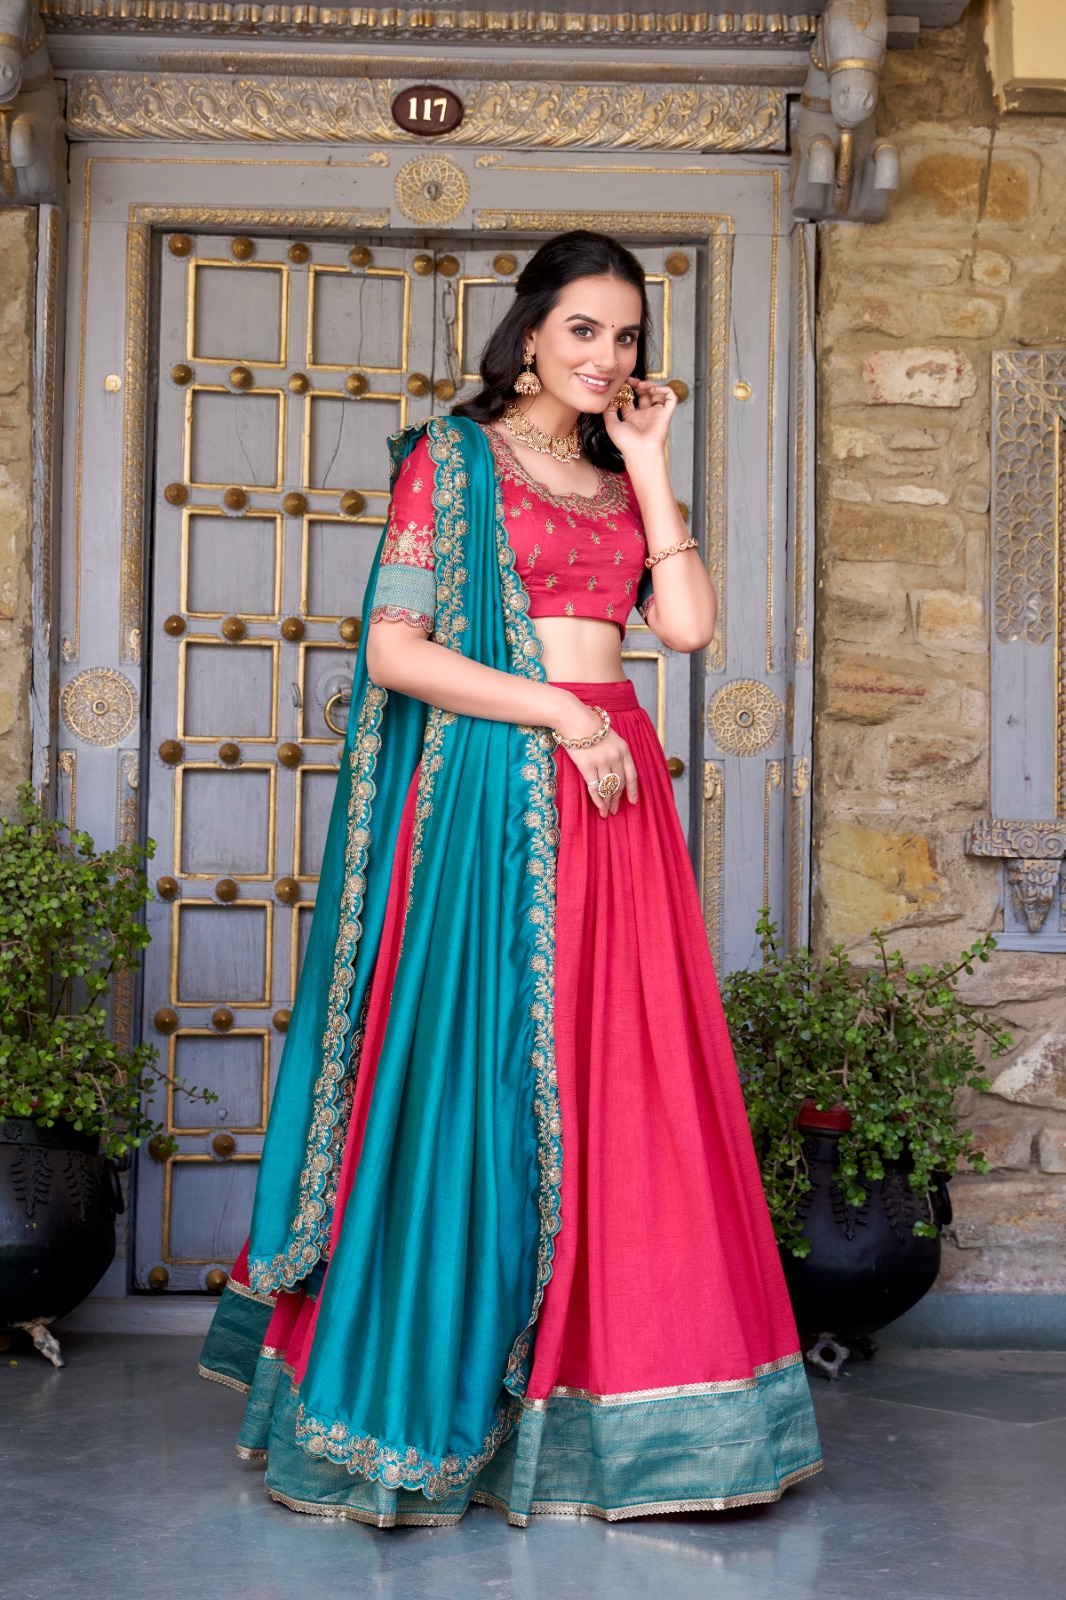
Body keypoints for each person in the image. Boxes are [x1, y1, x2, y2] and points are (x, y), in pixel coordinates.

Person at [199, 230, 823, 1527]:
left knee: (620, 1079)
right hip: (499, 791)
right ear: (527, 331)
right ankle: (440, 1404)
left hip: (613, 797)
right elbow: (395, 651)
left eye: (627, 335)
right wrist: (560, 711)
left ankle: (616, 1408)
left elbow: (686, 627)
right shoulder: (454, 460)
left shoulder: (617, 474)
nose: (607, 355)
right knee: (481, 1081)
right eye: (583, 328)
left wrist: (649, 464)